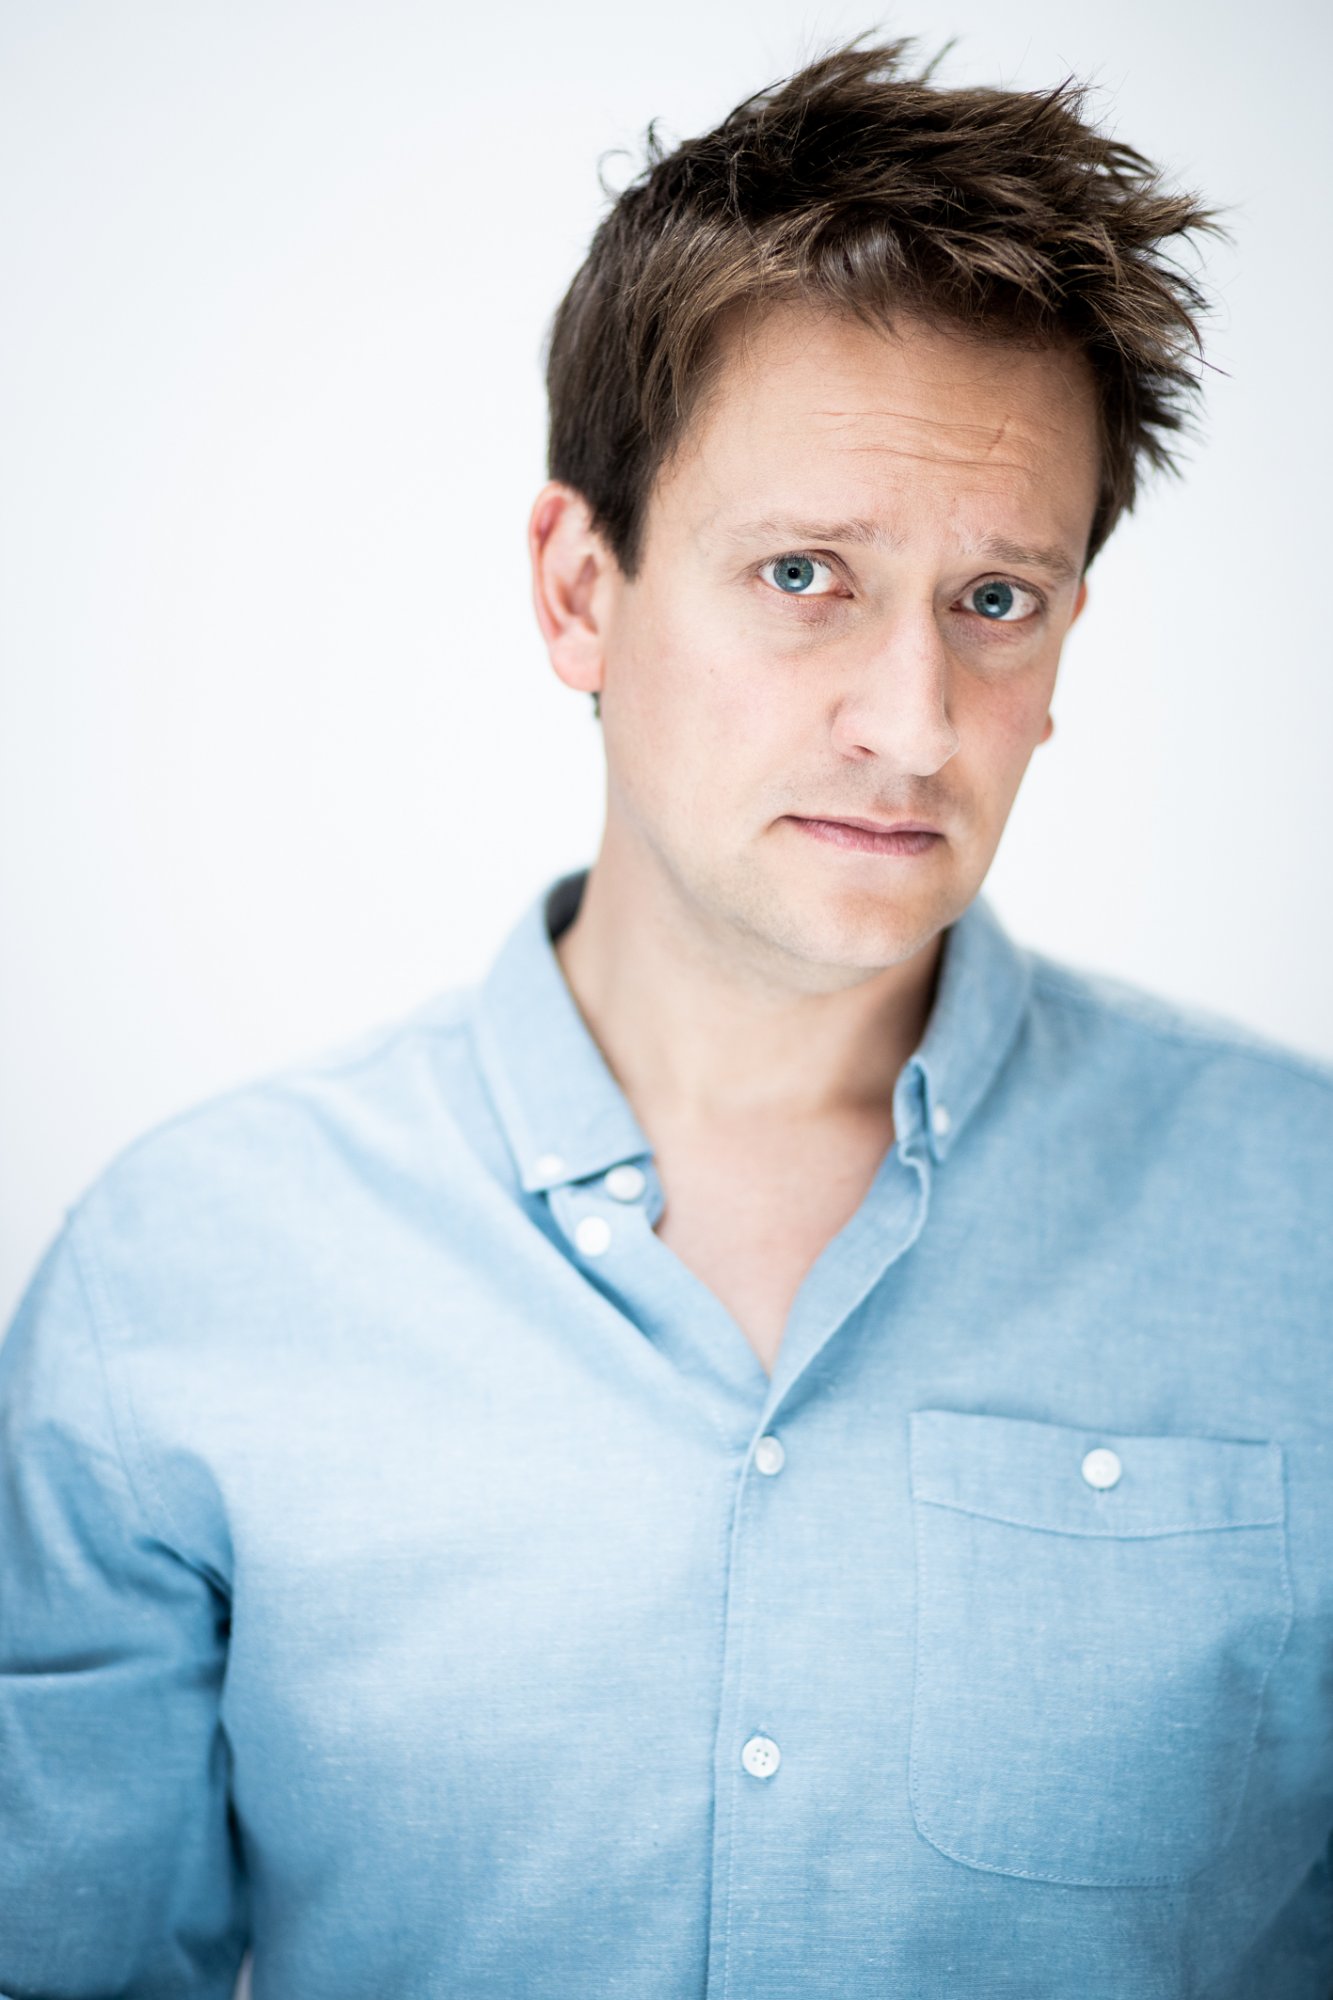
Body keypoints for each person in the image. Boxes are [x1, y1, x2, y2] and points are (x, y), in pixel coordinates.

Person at [2, 31, 1330, 2000]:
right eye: (803, 574)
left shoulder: (1305, 1227)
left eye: (994, 600)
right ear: (578, 589)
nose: (912, 724)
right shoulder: (180, 1279)